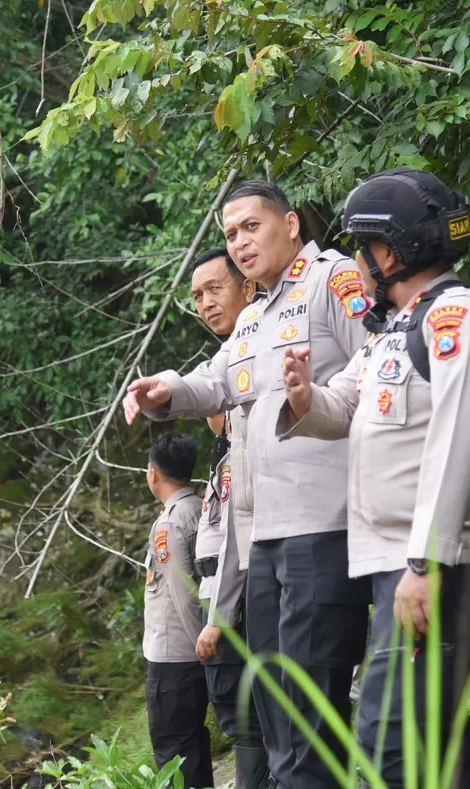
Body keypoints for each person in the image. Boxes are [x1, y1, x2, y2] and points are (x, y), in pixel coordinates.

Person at [277, 168, 470, 789]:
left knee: (389, 737)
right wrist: (305, 395)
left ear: (388, 251)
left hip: (449, 558)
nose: (359, 263)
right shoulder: (398, 328)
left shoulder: (457, 319)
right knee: (433, 731)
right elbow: (346, 407)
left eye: (363, 249)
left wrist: (425, 564)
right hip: (410, 559)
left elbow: (457, 444)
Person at [123, 180, 372, 789]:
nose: (239, 243)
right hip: (264, 538)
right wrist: (166, 391)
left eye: (250, 227)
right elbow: (214, 382)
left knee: (311, 703)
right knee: (273, 710)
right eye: (230, 234)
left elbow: (378, 366)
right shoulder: (255, 314)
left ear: (290, 225)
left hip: (327, 525)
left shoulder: (333, 281)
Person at [187, 247, 271, 789]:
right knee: (243, 719)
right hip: (229, 598)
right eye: (196, 296)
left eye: (214, 288)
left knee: (256, 721)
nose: (204, 303)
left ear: (249, 288)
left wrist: (219, 617)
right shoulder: (222, 453)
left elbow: (241, 534)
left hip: (253, 592)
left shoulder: (268, 365)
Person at [143, 432, 214, 789]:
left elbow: (185, 592)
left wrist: (201, 652)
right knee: (193, 745)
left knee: (173, 752)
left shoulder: (169, 523)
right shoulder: (201, 506)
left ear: (153, 473)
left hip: (175, 658)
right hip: (193, 651)